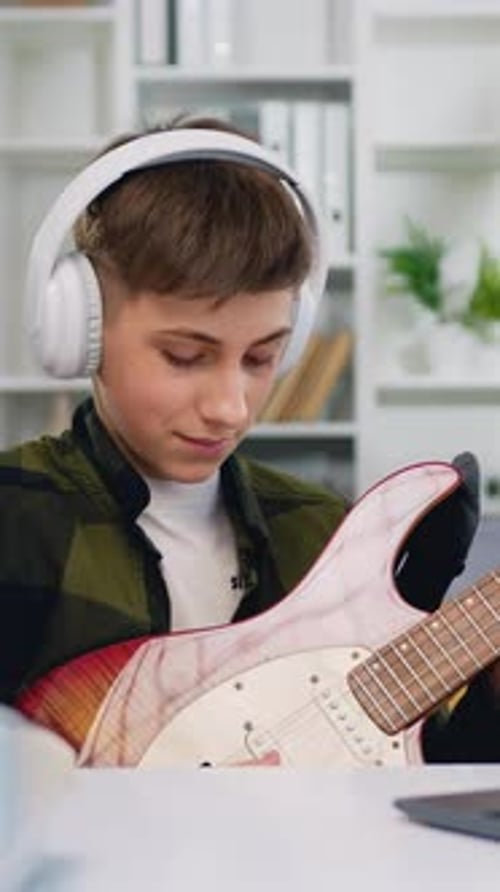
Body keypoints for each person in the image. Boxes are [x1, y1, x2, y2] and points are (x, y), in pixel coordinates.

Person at [0, 116, 497, 764]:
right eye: (184, 356)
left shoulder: (323, 533)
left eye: (263, 358)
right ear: (81, 331)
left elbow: (412, 773)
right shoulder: (15, 518)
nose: (230, 407)